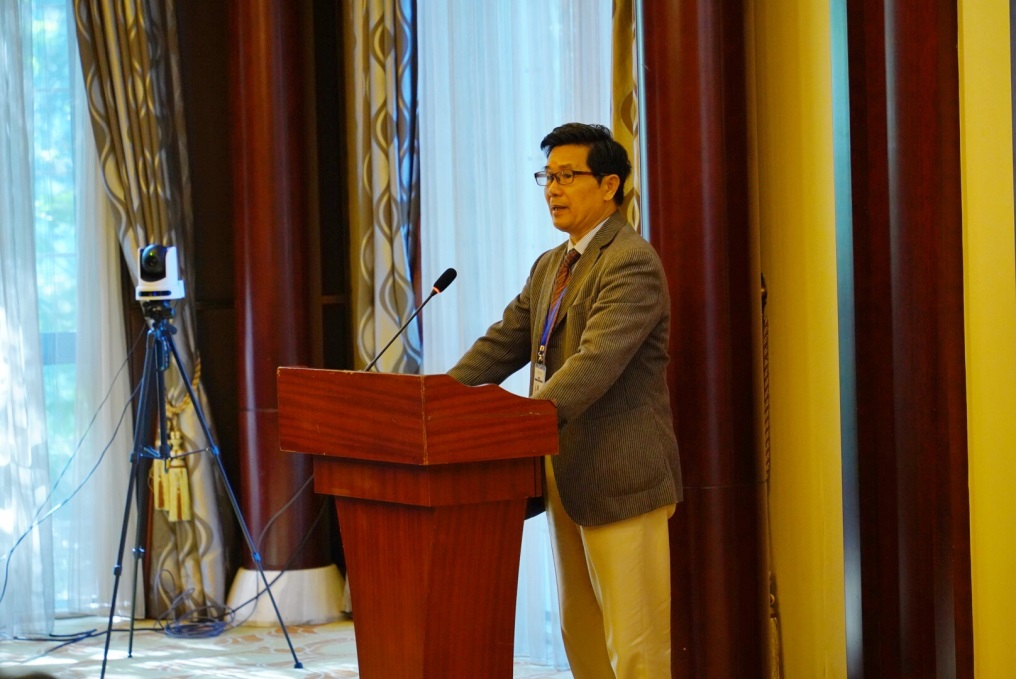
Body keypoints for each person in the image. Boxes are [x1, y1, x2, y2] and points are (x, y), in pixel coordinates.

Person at [448, 122, 682, 678]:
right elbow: (504, 342)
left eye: (567, 176)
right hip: (565, 472)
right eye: (547, 177)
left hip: (622, 479)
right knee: (581, 632)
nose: (553, 189)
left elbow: (594, 364)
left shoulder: (630, 262)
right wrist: (440, 398)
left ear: (609, 185)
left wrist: (519, 426)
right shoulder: (552, 264)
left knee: (636, 646)